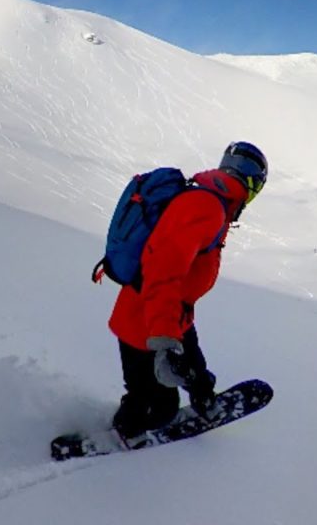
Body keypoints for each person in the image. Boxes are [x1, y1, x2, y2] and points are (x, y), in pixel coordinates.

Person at [107, 141, 268, 443]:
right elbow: (162, 272)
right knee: (155, 406)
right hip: (145, 321)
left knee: (195, 370)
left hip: (173, 314)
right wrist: (164, 339)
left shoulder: (214, 203)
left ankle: (204, 397)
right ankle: (126, 433)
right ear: (253, 185)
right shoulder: (205, 207)